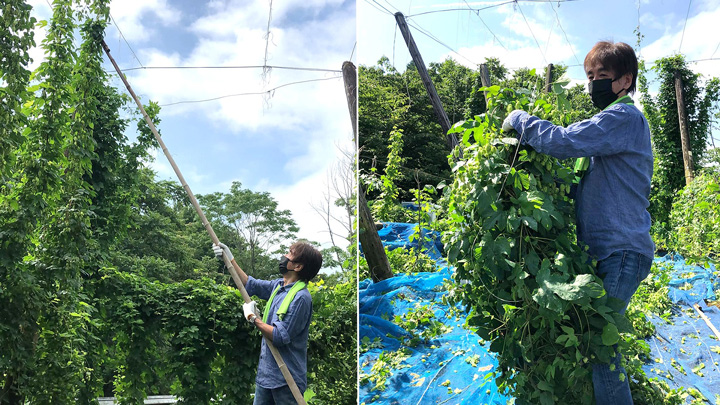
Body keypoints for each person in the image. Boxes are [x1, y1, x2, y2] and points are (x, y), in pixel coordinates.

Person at [501, 41, 654, 404]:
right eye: (590, 76)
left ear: (624, 80)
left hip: (621, 251)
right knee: (597, 340)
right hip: (606, 251)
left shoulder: (623, 118)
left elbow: (566, 140)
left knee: (601, 346)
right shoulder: (612, 129)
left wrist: (521, 120)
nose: (594, 83)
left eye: (603, 75)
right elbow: (578, 182)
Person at [212, 240, 323, 405]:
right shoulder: (278, 286)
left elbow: (279, 336)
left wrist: (253, 319)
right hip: (267, 375)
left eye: (289, 254)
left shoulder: (301, 298)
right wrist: (230, 258)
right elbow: (250, 284)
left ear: (298, 267)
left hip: (287, 380)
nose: (284, 257)